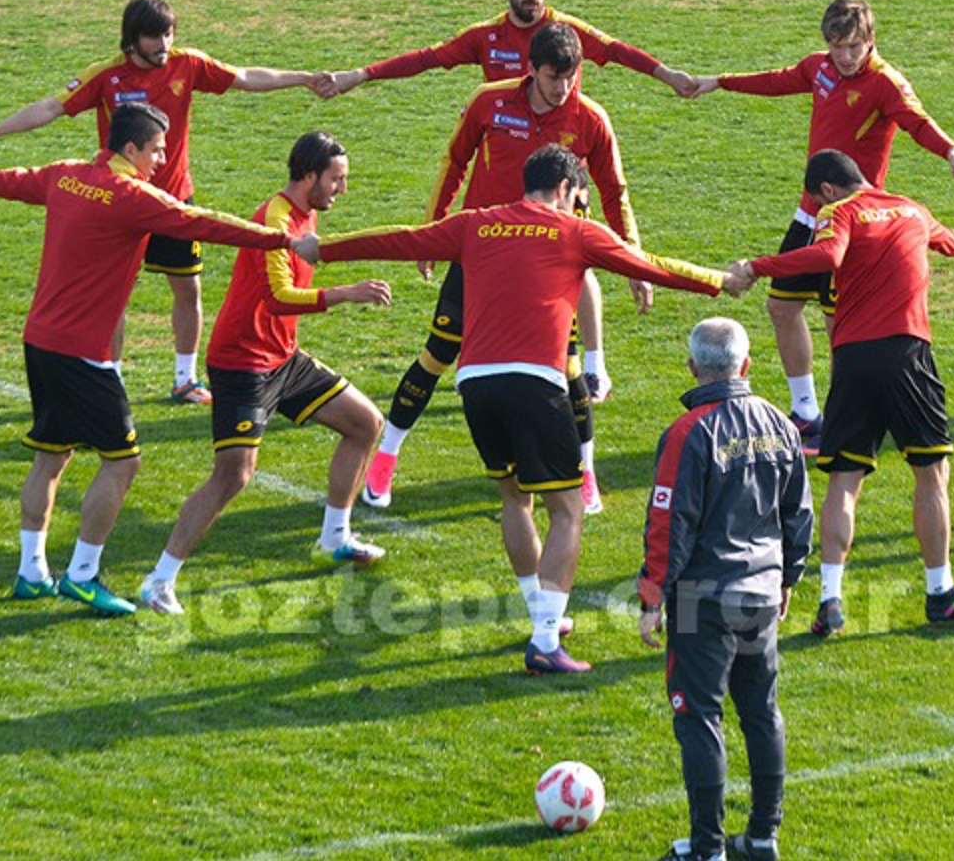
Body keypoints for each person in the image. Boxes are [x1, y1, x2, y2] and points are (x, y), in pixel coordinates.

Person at [299, 144, 746, 673]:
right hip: (536, 383)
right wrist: (720, 281)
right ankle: (545, 641)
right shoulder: (574, 230)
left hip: (474, 384)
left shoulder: (476, 224)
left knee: (515, 498)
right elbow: (649, 265)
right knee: (568, 510)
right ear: (565, 188)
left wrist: (323, 250)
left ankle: (542, 616)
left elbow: (401, 239)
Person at [316, 0, 701, 401]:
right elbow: (427, 59)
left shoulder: (571, 40)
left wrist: (667, 74)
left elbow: (617, 52)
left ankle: (591, 369)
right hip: (497, 200)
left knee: (578, 268)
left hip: (559, 191)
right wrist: (359, 75)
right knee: (460, 328)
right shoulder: (488, 47)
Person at [0, 103, 294, 616]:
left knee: (51, 456)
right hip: (82, 354)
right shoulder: (131, 197)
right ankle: (82, 575)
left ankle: (32, 573)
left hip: (40, 340)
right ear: (131, 149)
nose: (162, 159)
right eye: (156, 150)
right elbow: (202, 222)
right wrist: (281, 239)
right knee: (122, 461)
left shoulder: (65, 175)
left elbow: (14, 179)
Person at [0, 0, 323, 405]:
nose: (164, 44)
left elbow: (246, 77)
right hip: (120, 205)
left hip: (173, 202)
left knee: (188, 289)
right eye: (154, 37)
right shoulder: (107, 76)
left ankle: (185, 378)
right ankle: (111, 378)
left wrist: (304, 77)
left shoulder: (186, 64)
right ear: (132, 38)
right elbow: (52, 106)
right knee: (114, 297)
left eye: (169, 34)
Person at [361, 23, 642, 516]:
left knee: (567, 368)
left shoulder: (591, 119)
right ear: (531, 70)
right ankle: (385, 458)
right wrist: (433, 228)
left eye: (571, 77)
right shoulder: (489, 102)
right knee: (437, 354)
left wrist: (633, 257)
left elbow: (614, 191)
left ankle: (586, 473)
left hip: (548, 267)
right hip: (482, 253)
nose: (563, 88)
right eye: (553, 77)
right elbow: (454, 162)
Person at [735, 150, 954, 634]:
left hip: (853, 360)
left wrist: (755, 267)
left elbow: (827, 255)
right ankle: (940, 593)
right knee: (931, 474)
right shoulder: (911, 208)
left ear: (828, 190)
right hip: (907, 354)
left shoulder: (839, 212)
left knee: (844, 480)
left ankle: (830, 601)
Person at [695, 0, 954, 453]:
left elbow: (918, 123)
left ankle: (846, 422)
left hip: (852, 222)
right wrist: (719, 82)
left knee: (840, 323)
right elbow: (776, 81)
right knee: (781, 307)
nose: (844, 56)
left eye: (854, 46)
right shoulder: (818, 67)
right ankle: (806, 412)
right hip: (810, 214)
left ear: (871, 41)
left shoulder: (885, 83)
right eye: (837, 46)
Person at [136, 132, 392, 614]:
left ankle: (335, 537)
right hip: (243, 364)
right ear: (310, 176)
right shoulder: (275, 220)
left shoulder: (306, 212)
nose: (342, 189)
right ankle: (159, 581)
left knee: (365, 423)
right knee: (233, 476)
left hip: (282, 358)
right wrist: (346, 293)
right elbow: (277, 297)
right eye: (336, 179)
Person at [640, 318, 811, 861]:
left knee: (698, 717)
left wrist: (652, 595)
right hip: (761, 591)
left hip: (701, 600)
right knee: (761, 713)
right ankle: (762, 836)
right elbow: (798, 512)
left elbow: (669, 522)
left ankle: (707, 849)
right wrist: (788, 577)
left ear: (693, 366)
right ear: (747, 364)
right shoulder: (780, 423)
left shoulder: (688, 431)